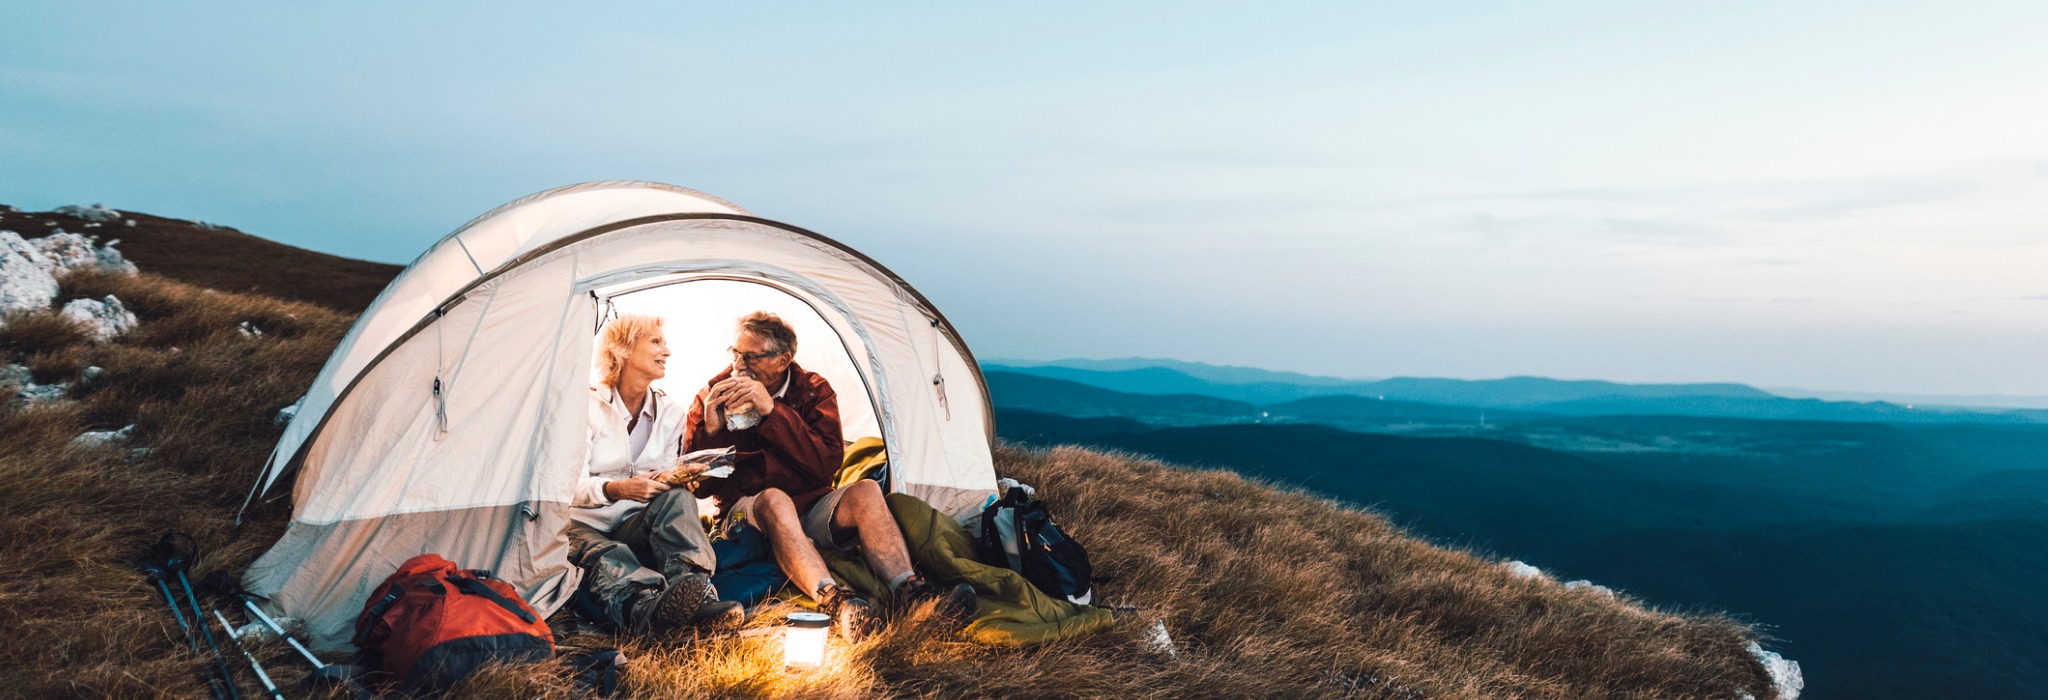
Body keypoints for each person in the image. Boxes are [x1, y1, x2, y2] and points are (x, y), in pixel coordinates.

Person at [684, 312, 974, 639]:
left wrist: (772, 413)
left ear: (783, 360)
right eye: (735, 353)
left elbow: (826, 464)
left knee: (865, 489)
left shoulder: (813, 390)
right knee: (775, 499)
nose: (740, 364)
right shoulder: (714, 393)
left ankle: (912, 594)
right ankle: (837, 602)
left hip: (810, 506)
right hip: (747, 516)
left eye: (752, 356)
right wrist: (710, 428)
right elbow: (700, 487)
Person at [567, 314, 744, 635]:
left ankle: (697, 593)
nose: (667, 351)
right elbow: (565, 489)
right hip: (581, 526)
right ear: (623, 348)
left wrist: (676, 479)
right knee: (606, 553)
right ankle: (645, 607)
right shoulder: (584, 406)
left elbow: (661, 476)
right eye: (656, 341)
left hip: (635, 524)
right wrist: (617, 489)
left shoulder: (670, 413)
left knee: (679, 497)